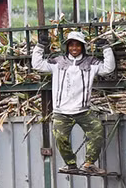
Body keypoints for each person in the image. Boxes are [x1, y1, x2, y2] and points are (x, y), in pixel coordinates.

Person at [32, 30, 116, 174]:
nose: (74, 48)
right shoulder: (58, 62)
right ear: (67, 47)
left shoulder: (91, 63)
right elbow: (37, 64)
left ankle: (89, 164)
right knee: (60, 138)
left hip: (83, 110)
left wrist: (106, 48)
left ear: (83, 46)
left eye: (78, 45)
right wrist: (40, 46)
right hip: (61, 111)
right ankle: (70, 164)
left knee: (97, 131)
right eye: (71, 45)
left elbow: (109, 68)